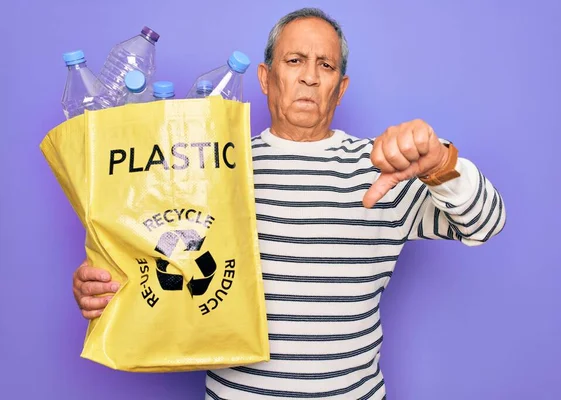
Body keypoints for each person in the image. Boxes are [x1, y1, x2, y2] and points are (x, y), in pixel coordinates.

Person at [72, 7, 506, 399]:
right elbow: (159, 255)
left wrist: (439, 163)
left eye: (326, 65)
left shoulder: (386, 165)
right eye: (295, 61)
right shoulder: (215, 166)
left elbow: (485, 224)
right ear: (265, 77)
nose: (310, 77)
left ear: (341, 86)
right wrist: (107, 285)